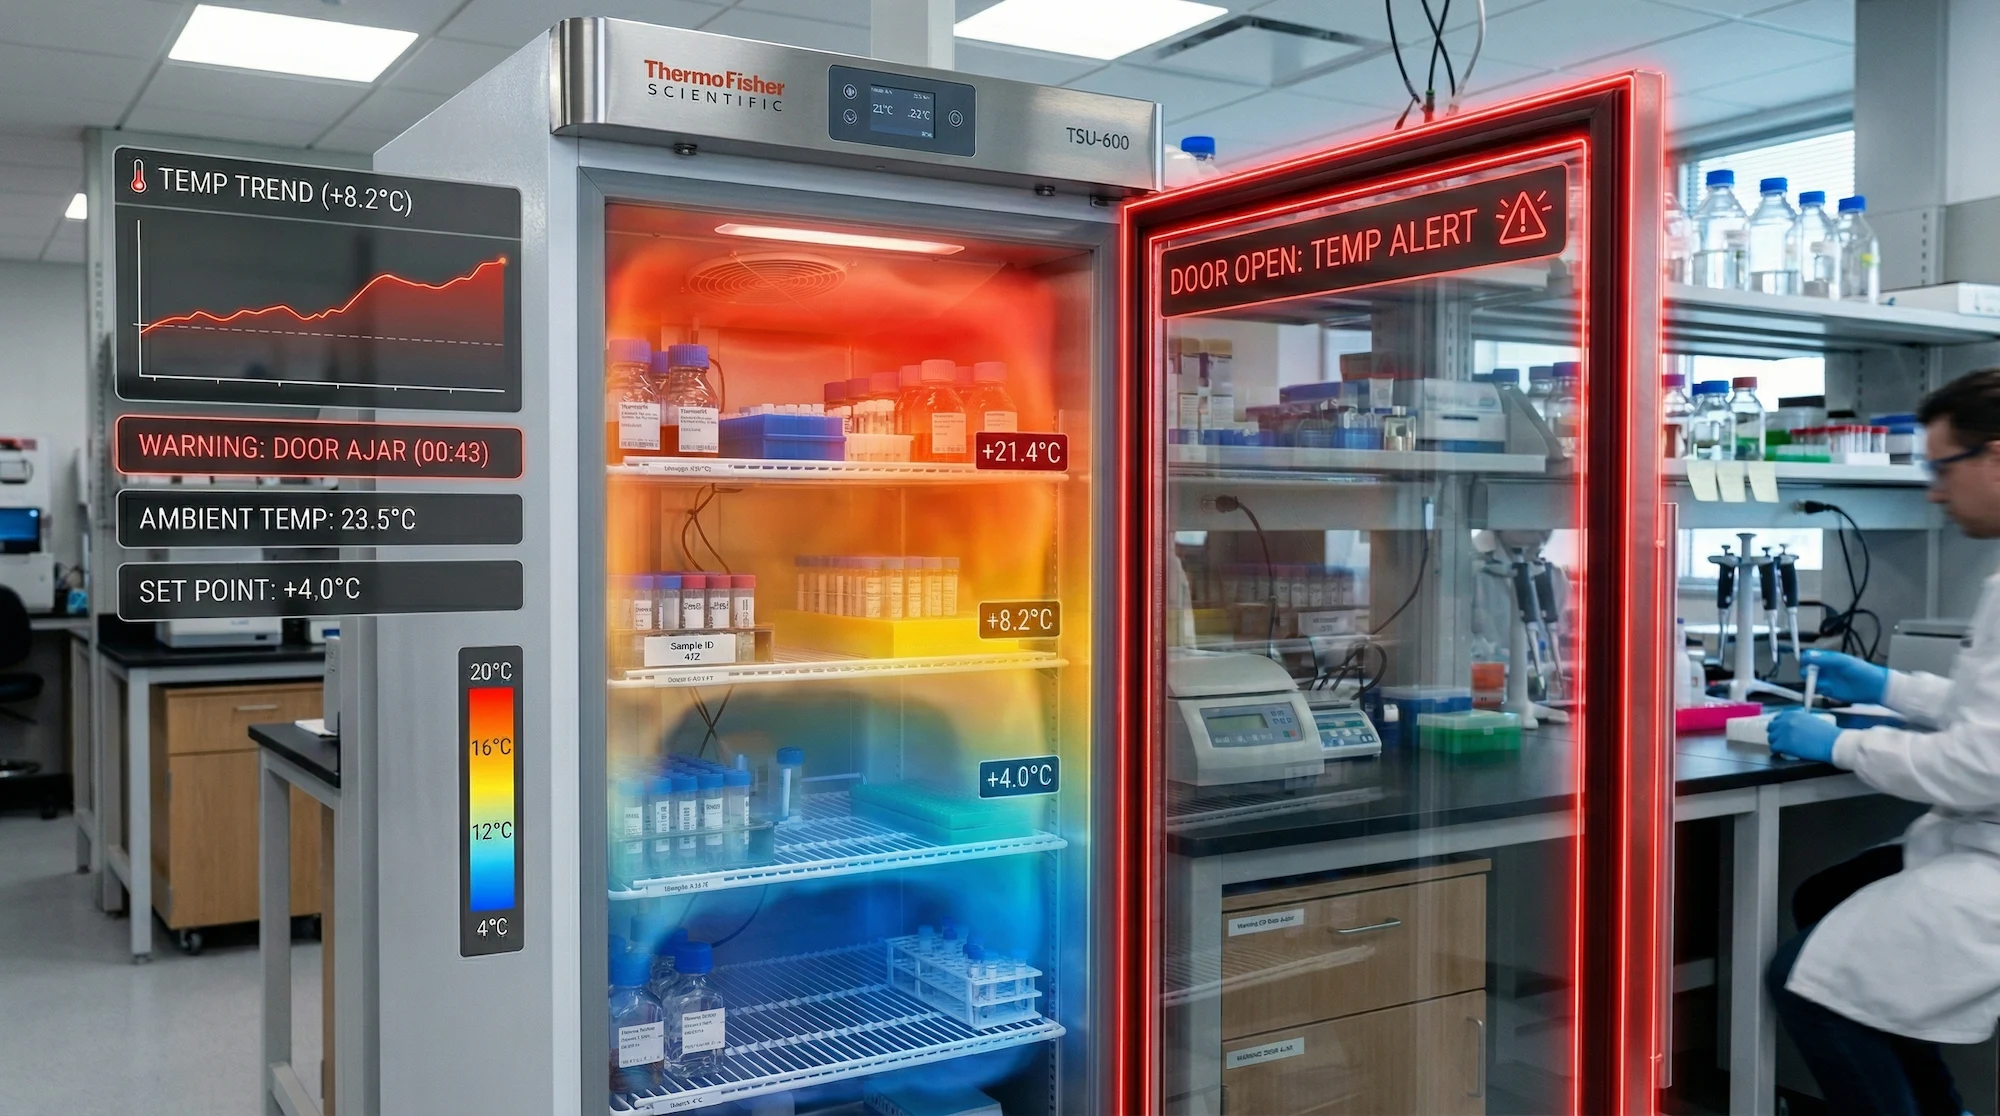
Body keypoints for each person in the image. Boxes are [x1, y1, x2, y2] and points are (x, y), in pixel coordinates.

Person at [1763, 367, 2000, 1115]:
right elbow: (1981, 710)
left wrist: (1836, 745)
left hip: (1991, 854)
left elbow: (1976, 767)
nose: (1935, 491)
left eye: (1943, 469)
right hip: (1978, 838)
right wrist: (1885, 686)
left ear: (1995, 455)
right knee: (1825, 896)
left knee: (1808, 984)